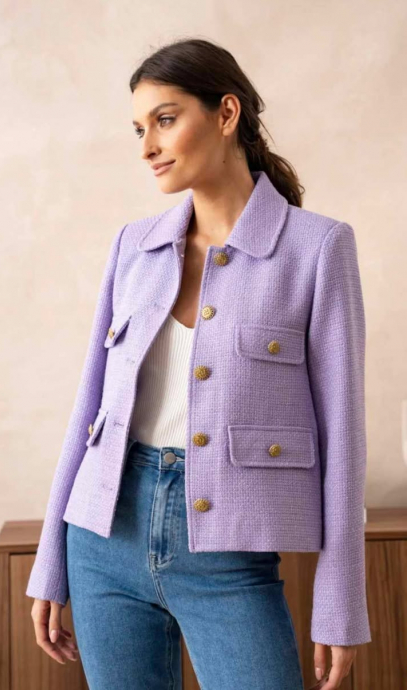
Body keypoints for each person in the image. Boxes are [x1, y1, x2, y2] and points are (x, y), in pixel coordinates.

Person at [27, 38, 371, 689]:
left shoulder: (318, 249)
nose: (147, 147)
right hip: (103, 541)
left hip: (229, 558)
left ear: (226, 113)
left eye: (165, 119)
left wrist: (340, 603)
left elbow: (344, 438)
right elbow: (89, 408)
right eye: (139, 129)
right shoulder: (133, 246)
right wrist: (50, 562)